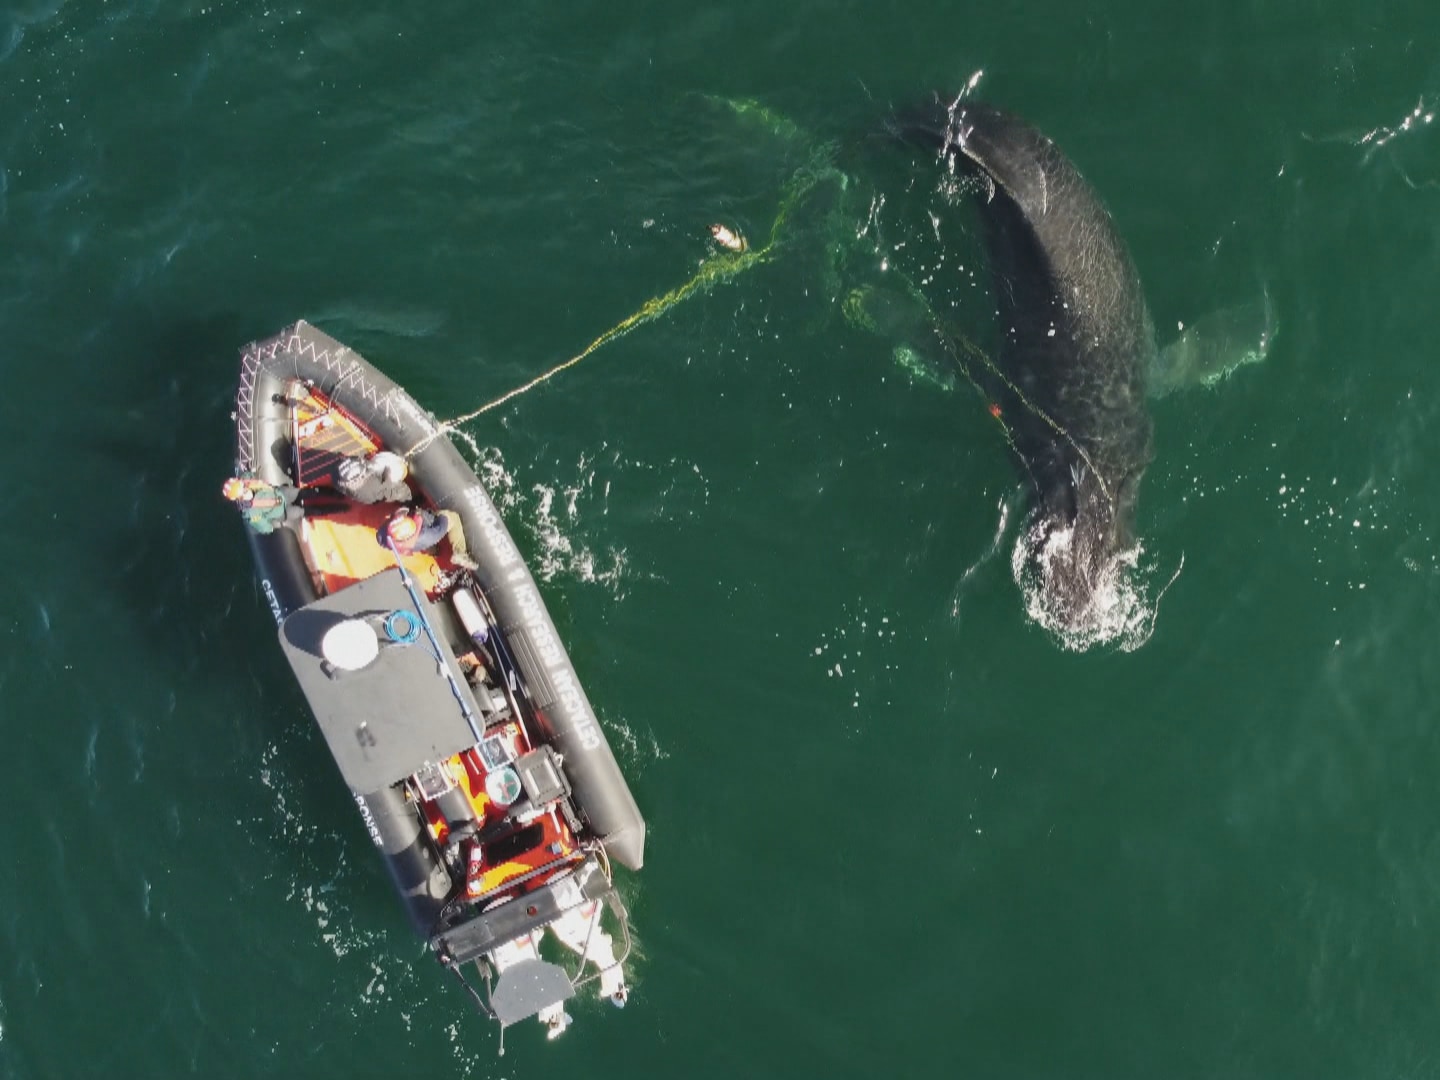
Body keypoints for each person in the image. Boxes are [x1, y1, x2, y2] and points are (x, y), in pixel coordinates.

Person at [379, 505, 480, 569]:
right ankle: (459, 551)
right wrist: (435, 516)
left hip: (411, 547)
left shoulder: (387, 536)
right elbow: (442, 525)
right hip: (427, 537)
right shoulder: (426, 535)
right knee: (452, 517)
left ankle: (432, 550)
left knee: (421, 544)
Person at [222, 476, 302, 534]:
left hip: (280, 493)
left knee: (299, 493)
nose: (246, 488)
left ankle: (313, 492)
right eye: (244, 490)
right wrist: (270, 527)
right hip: (281, 512)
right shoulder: (252, 514)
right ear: (239, 497)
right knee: (299, 512)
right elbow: (264, 526)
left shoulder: (248, 483)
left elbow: (248, 475)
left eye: (243, 485)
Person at [335, 450, 412, 505]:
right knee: (400, 491)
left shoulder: (338, 476)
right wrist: (388, 471)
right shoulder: (373, 486)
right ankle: (409, 501)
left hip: (351, 490)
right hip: (373, 495)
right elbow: (387, 486)